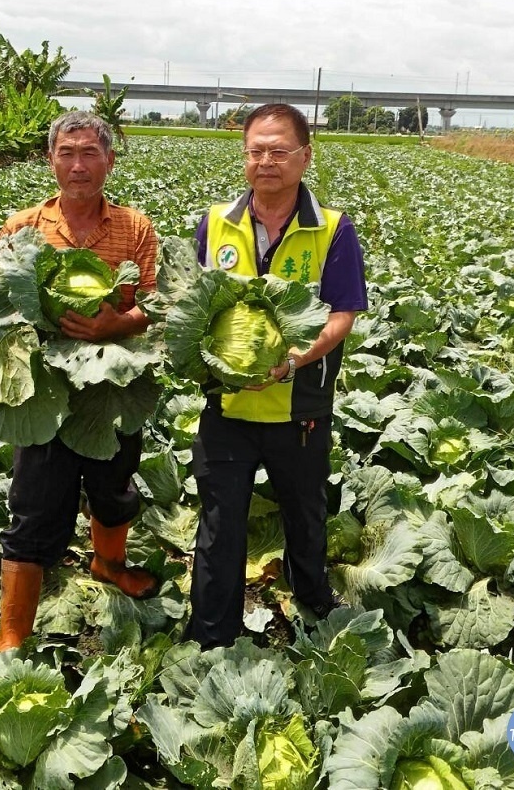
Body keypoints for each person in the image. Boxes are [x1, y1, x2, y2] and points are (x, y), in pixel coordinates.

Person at [187, 103, 368, 648]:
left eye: (279, 151)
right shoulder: (216, 223)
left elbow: (343, 314)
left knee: (305, 511)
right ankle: (211, 631)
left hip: (300, 405)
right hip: (229, 405)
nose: (266, 161)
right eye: (256, 151)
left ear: (304, 157)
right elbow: (193, 306)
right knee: (220, 522)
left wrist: (291, 359)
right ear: (244, 157)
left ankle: (312, 600)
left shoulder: (332, 229)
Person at [0, 111, 159, 651]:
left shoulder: (135, 228)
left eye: (90, 153)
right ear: (51, 160)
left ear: (109, 160)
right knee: (35, 505)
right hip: (45, 389)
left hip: (114, 383)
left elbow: (156, 306)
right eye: (67, 153)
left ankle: (108, 564)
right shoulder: (23, 229)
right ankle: (12, 631)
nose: (78, 165)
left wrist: (117, 323)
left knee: (114, 490)